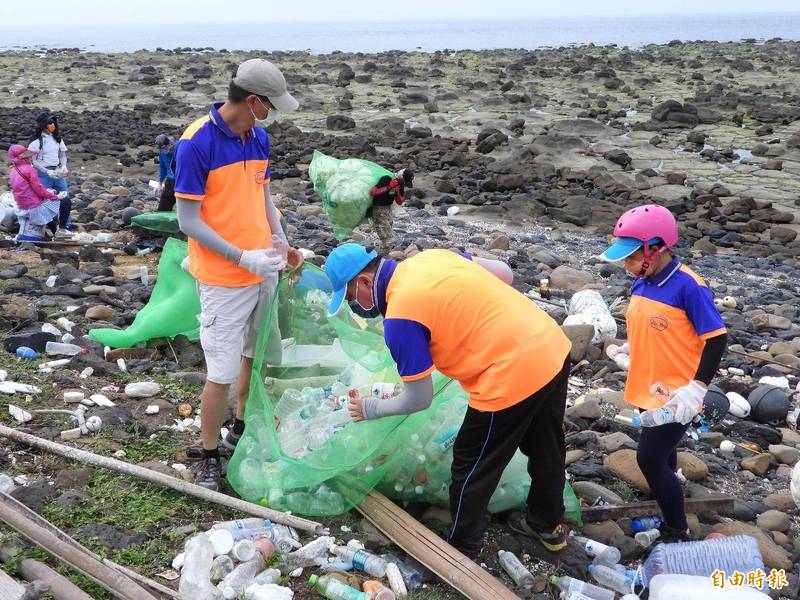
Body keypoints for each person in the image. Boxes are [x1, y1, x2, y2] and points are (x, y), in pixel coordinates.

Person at [322, 243, 572, 557]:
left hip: (510, 373)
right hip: (550, 346)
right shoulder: (430, 257)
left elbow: (419, 398)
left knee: (470, 464)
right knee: (545, 445)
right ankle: (548, 525)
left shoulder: (399, 318)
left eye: (349, 299)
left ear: (364, 283)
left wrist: (373, 408)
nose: (354, 307)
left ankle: (462, 548)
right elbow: (504, 274)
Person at [175, 58, 302, 491]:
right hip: (223, 279)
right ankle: (208, 454)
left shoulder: (258, 138)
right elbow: (188, 221)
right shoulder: (196, 143)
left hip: (262, 268)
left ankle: (241, 426)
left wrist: (280, 240)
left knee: (255, 353)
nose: (273, 114)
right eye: (270, 106)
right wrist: (241, 257)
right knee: (220, 372)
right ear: (252, 100)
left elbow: (263, 197)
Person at [600, 204, 727, 541]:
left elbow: (717, 339)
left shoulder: (690, 286)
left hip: (677, 395)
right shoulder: (642, 280)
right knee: (664, 455)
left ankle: (677, 528)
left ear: (656, 248)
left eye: (630, 257)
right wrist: (630, 349)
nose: (625, 265)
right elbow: (652, 324)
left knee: (649, 459)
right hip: (648, 386)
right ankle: (666, 501)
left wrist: (697, 388)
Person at [7, 144, 66, 243]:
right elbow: (38, 189)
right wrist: (55, 196)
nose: (29, 157)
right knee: (63, 202)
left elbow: (24, 189)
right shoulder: (29, 169)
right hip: (33, 205)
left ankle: (53, 233)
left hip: (20, 205)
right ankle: (60, 231)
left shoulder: (13, 170)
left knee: (49, 204)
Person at [27, 112, 71, 233]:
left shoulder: (58, 139)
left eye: (53, 123)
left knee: (65, 197)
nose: (52, 125)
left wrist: (63, 166)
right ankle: (44, 225)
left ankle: (64, 226)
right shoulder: (36, 142)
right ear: (43, 125)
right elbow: (33, 161)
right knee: (42, 199)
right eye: (49, 123)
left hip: (57, 172)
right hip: (42, 173)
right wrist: (47, 172)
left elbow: (62, 155)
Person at [367, 168, 413, 255]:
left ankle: (383, 253)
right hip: (378, 208)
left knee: (388, 229)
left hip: (388, 208)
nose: (404, 183)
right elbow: (372, 192)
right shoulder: (386, 178)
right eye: (404, 181)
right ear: (401, 176)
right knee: (386, 236)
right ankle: (382, 256)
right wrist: (389, 187)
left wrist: (397, 191)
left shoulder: (400, 183)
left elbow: (400, 201)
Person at [154, 134, 177, 212]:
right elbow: (163, 167)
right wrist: (160, 183)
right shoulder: (162, 153)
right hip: (170, 180)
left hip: (181, 181)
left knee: (184, 206)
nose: (163, 151)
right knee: (163, 207)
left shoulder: (178, 148)